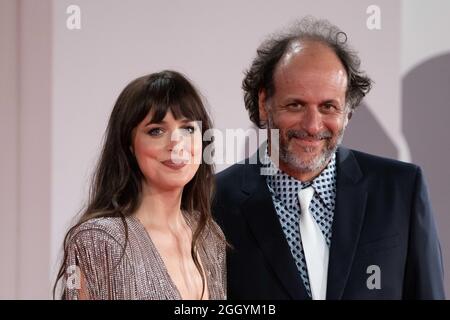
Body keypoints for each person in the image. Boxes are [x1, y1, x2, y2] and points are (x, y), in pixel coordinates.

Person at [213, 17, 445, 299]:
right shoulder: (212, 201)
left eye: (328, 106)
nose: (312, 125)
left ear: (347, 111)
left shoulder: (400, 190)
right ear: (264, 104)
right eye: (295, 105)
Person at [54, 70, 226, 300]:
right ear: (129, 145)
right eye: (156, 131)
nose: (176, 143)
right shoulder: (97, 240)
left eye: (188, 128)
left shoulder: (209, 235)